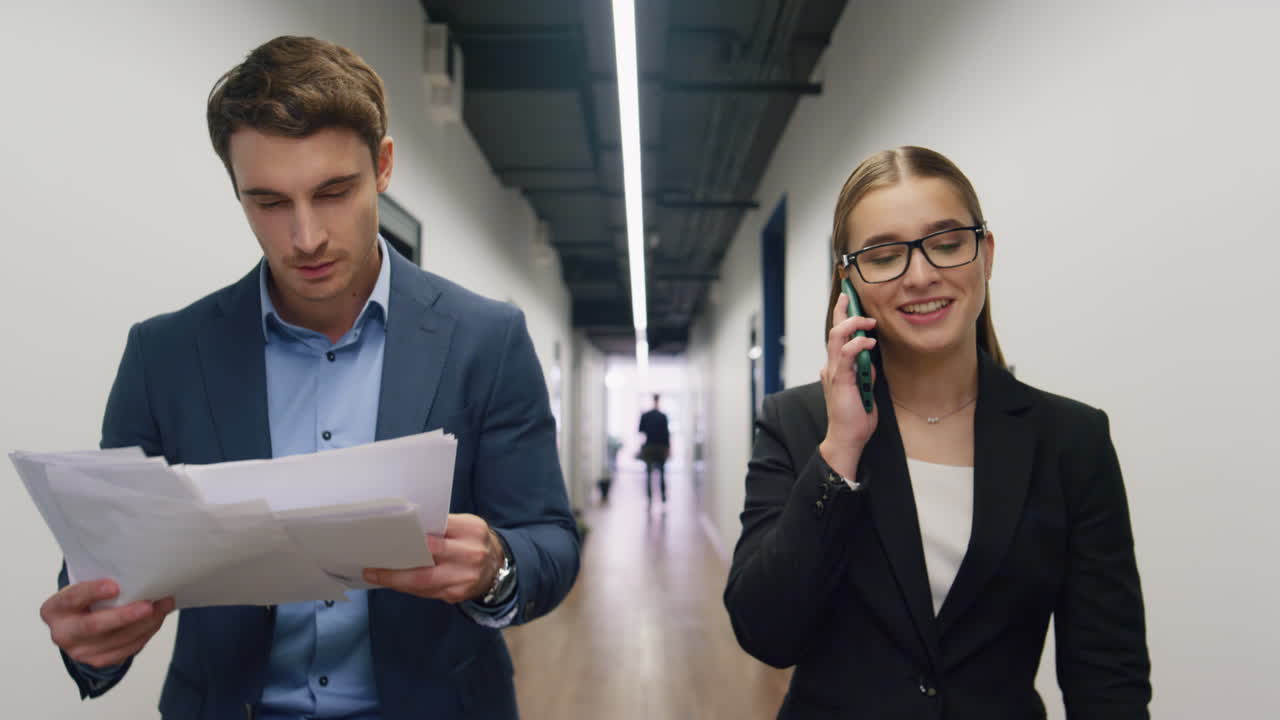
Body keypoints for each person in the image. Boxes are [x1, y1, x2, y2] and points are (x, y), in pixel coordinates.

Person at [36, 36, 580, 720]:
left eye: (333, 193)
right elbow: (106, 553)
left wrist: (495, 566)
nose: (306, 237)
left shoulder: (486, 339)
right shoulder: (164, 355)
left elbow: (551, 540)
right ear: (237, 192)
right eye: (268, 203)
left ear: (383, 166)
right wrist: (93, 631)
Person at [723, 146, 1150, 718]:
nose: (921, 276)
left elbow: (1109, 678)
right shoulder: (797, 424)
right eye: (884, 255)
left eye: (947, 244)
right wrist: (840, 450)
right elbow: (766, 633)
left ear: (985, 254)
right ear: (848, 279)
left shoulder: (1072, 440)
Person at [638, 394, 671, 505]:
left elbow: (640, 431)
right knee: (662, 473)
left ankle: (649, 498)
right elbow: (667, 434)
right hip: (661, 447)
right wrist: (668, 449)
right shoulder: (663, 416)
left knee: (648, 474)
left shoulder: (645, 415)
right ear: (659, 400)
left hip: (649, 446)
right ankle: (663, 497)